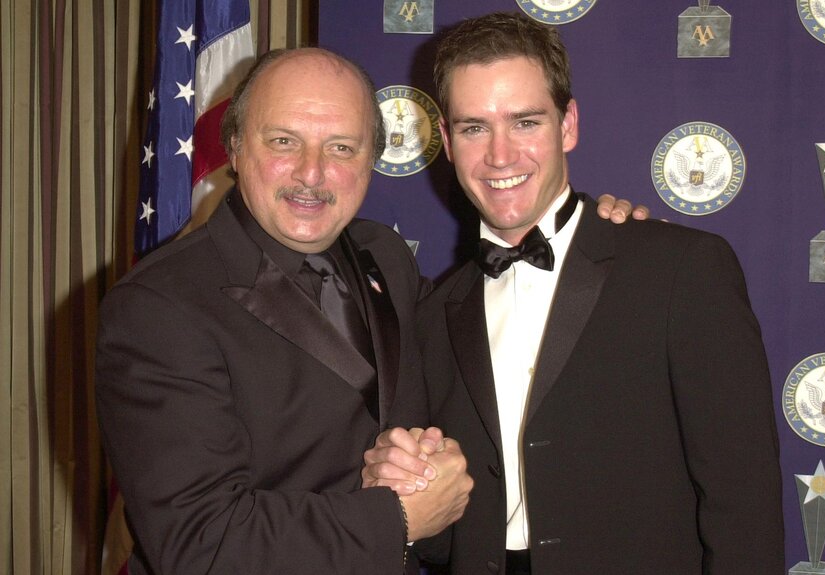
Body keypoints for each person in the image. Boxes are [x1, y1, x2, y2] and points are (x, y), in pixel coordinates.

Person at [96, 46, 639, 574]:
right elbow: (200, 544)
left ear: (373, 161)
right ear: (235, 147)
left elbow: (488, 325)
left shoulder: (383, 255)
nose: (312, 173)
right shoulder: (158, 308)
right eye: (285, 141)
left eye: (341, 148)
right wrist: (398, 517)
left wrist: (589, 237)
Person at [363, 12, 784, 574]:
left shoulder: (681, 271)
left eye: (526, 122)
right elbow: (447, 535)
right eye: (473, 128)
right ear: (445, 140)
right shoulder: (436, 311)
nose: (500, 155)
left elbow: (745, 507)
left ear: (568, 125)